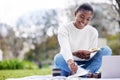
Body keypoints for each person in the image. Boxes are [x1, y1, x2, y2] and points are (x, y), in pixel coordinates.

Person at [54, 3, 112, 78]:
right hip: (69, 63)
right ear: (75, 14)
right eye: (82, 17)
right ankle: (87, 74)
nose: (84, 21)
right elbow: (65, 48)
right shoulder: (64, 28)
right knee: (58, 58)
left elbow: (92, 51)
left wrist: (88, 55)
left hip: (87, 63)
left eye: (88, 19)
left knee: (107, 50)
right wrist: (73, 57)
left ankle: (83, 73)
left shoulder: (93, 31)